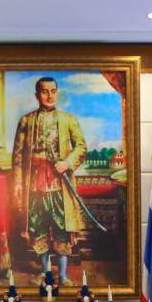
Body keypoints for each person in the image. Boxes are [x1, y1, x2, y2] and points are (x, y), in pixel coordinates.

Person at [11, 76, 88, 284]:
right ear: (37, 95)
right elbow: (17, 157)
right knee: (38, 227)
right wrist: (18, 184)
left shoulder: (69, 120)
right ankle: (45, 273)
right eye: (44, 91)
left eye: (53, 91)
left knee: (62, 228)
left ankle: (62, 276)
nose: (49, 95)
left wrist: (67, 162)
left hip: (59, 184)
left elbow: (81, 147)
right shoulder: (26, 121)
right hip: (34, 184)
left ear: (58, 93)